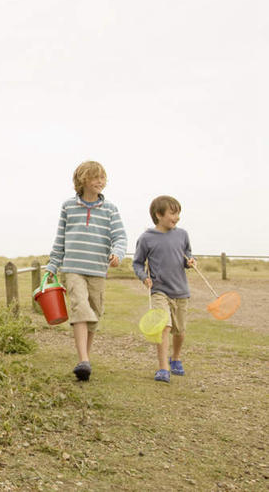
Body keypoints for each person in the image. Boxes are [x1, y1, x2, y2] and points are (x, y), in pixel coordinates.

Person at [46, 161, 127, 381]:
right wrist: (53, 265)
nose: (100, 182)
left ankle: (85, 360)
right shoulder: (68, 207)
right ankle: (83, 359)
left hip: (97, 269)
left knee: (93, 314)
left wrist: (117, 254)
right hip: (73, 268)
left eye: (103, 178)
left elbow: (120, 237)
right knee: (80, 308)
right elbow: (60, 239)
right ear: (82, 180)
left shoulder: (110, 209)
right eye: (95, 177)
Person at [132, 195, 196, 383]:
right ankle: (163, 368)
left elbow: (188, 255)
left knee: (180, 330)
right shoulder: (146, 238)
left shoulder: (182, 234)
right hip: (159, 290)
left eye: (178, 214)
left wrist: (191, 262)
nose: (176, 218)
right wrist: (144, 277)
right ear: (159, 215)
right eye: (173, 213)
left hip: (181, 290)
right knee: (164, 327)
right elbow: (137, 263)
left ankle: (175, 359)